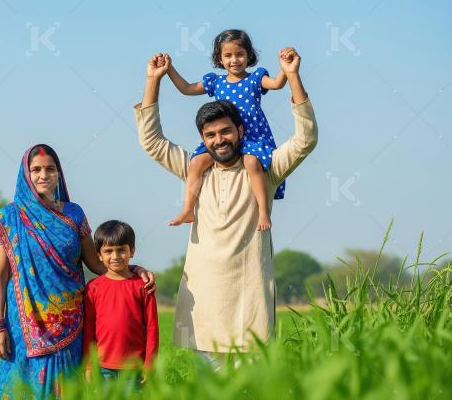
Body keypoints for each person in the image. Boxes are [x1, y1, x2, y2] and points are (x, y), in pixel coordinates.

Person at [133, 48, 317, 366]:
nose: (220, 140)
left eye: (226, 131)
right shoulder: (196, 168)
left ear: (241, 131)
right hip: (203, 305)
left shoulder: (265, 169)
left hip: (251, 304)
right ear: (203, 139)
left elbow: (306, 139)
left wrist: (293, 76)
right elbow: (152, 141)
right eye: (211, 135)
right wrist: (153, 82)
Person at [0, 144, 155, 398]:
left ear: (59, 174)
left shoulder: (74, 214)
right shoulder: (9, 218)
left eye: (50, 169)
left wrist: (133, 269)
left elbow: (96, 264)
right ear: (26, 175)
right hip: (25, 325)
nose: (44, 175)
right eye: (36, 170)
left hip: (71, 322)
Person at [165, 29, 291, 230]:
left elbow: (277, 84)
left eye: (240, 54)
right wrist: (169, 69)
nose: (234, 60)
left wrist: (286, 68)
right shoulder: (217, 82)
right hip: (224, 138)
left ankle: (264, 213)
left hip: (251, 137)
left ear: (249, 55)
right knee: (197, 162)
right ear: (219, 58)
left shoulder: (255, 79)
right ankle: (188, 209)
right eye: (228, 55)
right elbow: (187, 89)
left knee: (251, 163)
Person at [82, 220, 159, 390]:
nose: (115, 257)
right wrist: (88, 365)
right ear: (99, 255)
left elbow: (152, 329)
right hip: (102, 369)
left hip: (134, 369)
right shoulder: (93, 288)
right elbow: (88, 330)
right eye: (108, 251)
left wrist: (150, 365)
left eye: (121, 250)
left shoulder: (143, 286)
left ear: (132, 251)